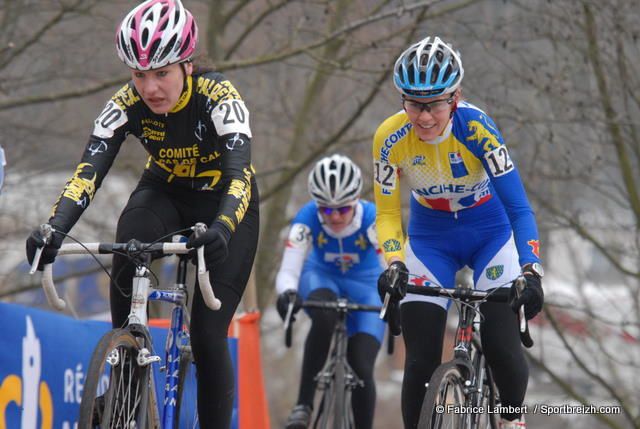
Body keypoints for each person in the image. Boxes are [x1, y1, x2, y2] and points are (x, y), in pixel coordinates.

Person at [25, 0, 259, 427]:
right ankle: (126, 369)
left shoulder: (220, 98)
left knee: (208, 337)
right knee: (130, 242)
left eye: (161, 73)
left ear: (187, 65)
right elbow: (87, 173)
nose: (150, 88)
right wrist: (54, 229)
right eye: (138, 74)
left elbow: (239, 173)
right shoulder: (124, 103)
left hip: (224, 198)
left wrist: (224, 226)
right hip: (165, 190)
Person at [373, 36, 543, 429]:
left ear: (455, 97)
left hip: (489, 232)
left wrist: (531, 270)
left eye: (434, 103)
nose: (425, 117)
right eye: (414, 104)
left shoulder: (478, 128)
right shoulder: (389, 138)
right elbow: (386, 212)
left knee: (502, 346)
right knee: (419, 360)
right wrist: (394, 262)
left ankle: (511, 419)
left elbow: (518, 207)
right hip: (431, 238)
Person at [275, 154, 386, 429]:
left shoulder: (373, 218)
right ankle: (303, 406)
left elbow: (390, 266)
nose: (334, 216)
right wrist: (287, 293)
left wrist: (394, 298)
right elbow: (290, 269)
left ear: (356, 201)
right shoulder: (306, 217)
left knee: (361, 364)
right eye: (326, 210)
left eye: (343, 209)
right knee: (322, 317)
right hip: (322, 278)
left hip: (368, 286)